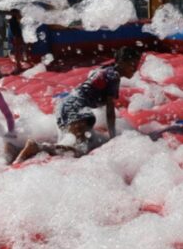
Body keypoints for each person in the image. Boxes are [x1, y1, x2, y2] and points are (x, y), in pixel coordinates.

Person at [13, 46, 143, 163]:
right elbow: (110, 110)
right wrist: (114, 138)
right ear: (121, 62)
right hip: (77, 108)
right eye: (132, 64)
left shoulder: (104, 70)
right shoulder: (113, 76)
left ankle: (18, 149)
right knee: (80, 150)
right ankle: (38, 147)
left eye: (136, 64)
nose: (135, 68)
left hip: (65, 105)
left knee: (74, 144)